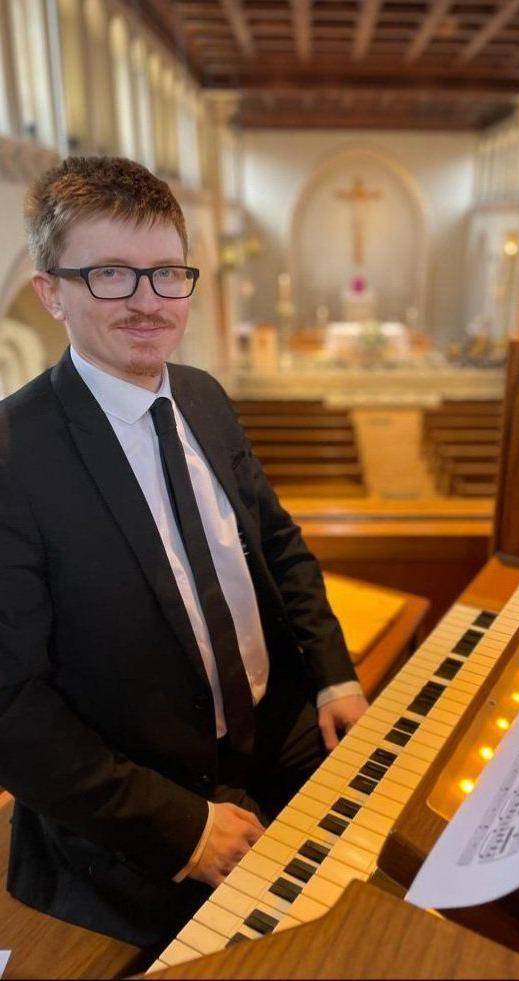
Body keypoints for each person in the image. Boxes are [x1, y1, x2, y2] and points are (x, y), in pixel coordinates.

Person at [0, 156, 368, 948]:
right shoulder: (10, 454)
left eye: (166, 273)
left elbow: (277, 542)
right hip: (140, 797)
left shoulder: (201, 393)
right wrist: (183, 828)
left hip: (277, 732)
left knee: (384, 904)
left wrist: (333, 669)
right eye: (111, 274)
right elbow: (8, 705)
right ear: (51, 292)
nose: (147, 302)